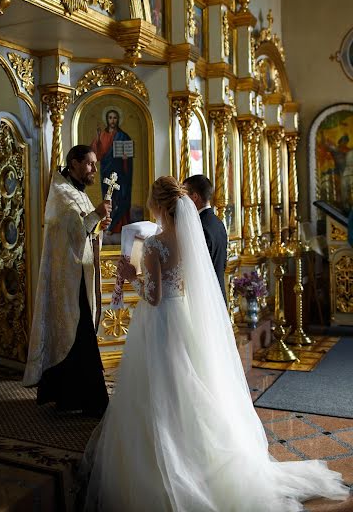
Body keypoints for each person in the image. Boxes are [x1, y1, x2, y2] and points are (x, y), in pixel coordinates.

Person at [76, 176, 349, 511]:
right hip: (184, 319)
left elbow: (153, 296)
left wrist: (132, 278)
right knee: (185, 387)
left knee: (159, 390)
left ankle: (167, 462)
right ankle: (196, 456)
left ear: (158, 205)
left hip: (161, 323)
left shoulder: (155, 245)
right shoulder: (188, 242)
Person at [23, 145, 111, 417]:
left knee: (79, 334)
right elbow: (74, 230)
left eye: (95, 164)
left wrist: (98, 226)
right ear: (73, 163)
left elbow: (85, 230)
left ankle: (71, 397)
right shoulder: (61, 193)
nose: (94, 169)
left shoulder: (78, 193)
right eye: (89, 164)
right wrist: (95, 217)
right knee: (75, 333)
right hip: (67, 280)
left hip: (79, 276)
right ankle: (85, 399)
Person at [184, 174, 228, 302]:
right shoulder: (218, 223)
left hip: (205, 299)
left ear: (195, 197)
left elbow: (197, 269)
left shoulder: (199, 227)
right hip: (219, 294)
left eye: (184, 196)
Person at [91, 109, 133, 235]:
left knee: (120, 198)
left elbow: (128, 156)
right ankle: (107, 224)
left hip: (120, 172)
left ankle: (116, 225)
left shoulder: (123, 136)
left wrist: (126, 159)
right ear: (107, 119)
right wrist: (98, 139)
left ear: (118, 119)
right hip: (106, 171)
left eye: (115, 118)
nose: (112, 120)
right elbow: (95, 155)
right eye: (110, 117)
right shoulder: (102, 135)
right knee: (109, 198)